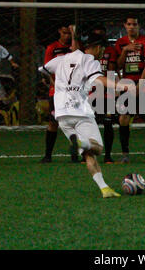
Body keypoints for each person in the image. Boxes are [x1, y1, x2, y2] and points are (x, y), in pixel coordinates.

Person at [38, 33, 123, 198]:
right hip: (80, 112)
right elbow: (98, 79)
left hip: (62, 114)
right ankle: (82, 142)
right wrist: (123, 86)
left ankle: (104, 188)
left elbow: (43, 69)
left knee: (88, 153)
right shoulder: (89, 60)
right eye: (102, 48)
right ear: (97, 47)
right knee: (97, 148)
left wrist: (54, 83)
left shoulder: (60, 59)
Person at [115, 15, 145, 164]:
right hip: (127, 85)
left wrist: (140, 84)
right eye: (129, 24)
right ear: (125, 26)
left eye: (134, 24)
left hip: (143, 85)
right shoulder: (120, 43)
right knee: (124, 119)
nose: (132, 26)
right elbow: (118, 66)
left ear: (138, 26)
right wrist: (125, 51)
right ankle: (125, 154)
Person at [40, 22, 80, 163]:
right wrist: (56, 85)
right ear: (59, 31)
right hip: (56, 91)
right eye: (65, 32)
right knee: (53, 122)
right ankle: (48, 155)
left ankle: (75, 154)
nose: (67, 35)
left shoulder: (75, 48)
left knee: (74, 121)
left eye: (69, 33)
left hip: (73, 91)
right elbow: (47, 70)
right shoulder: (52, 48)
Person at [90, 24, 118, 164]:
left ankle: (107, 155)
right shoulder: (87, 52)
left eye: (101, 34)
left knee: (108, 123)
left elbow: (111, 72)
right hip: (89, 92)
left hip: (105, 93)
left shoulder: (110, 51)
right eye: (97, 34)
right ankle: (87, 154)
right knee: (88, 123)